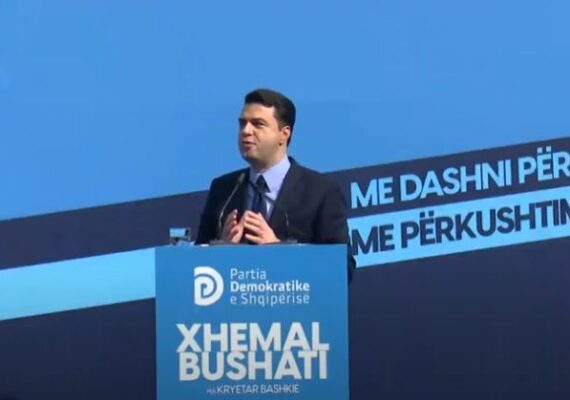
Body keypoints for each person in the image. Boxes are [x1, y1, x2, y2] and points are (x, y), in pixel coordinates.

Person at [195, 88, 355, 277]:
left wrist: (279, 251)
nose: (246, 131)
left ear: (284, 134)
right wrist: (220, 249)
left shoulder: (321, 191)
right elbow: (194, 265)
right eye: (242, 123)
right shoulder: (224, 189)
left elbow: (342, 267)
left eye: (258, 124)